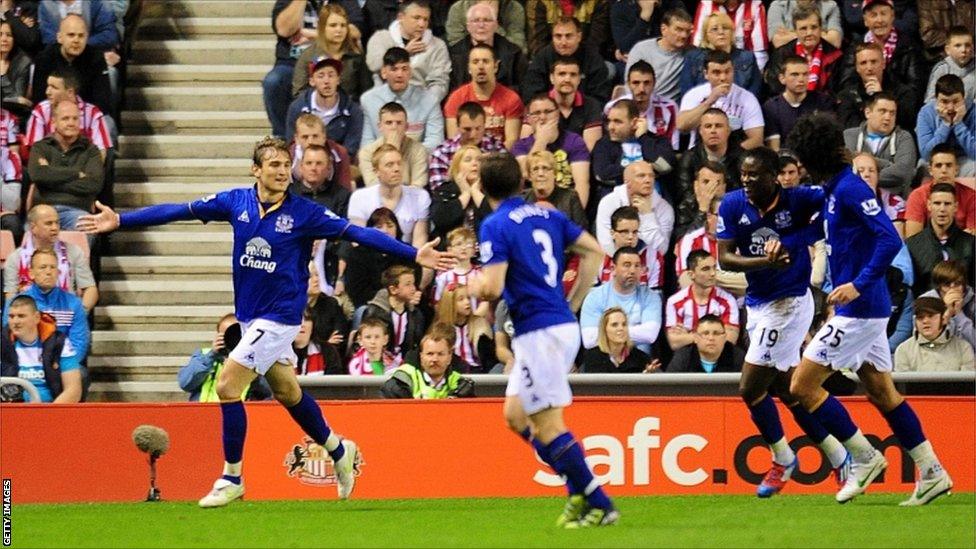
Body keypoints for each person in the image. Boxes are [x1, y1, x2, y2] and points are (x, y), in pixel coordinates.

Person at [76, 136, 455, 508]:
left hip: (281, 318)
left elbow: (358, 232)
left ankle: (232, 477)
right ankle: (340, 450)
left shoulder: (305, 213)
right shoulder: (235, 201)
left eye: (284, 164)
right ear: (255, 170)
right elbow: (179, 210)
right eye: (272, 164)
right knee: (288, 393)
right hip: (251, 315)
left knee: (227, 386)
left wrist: (411, 252)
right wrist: (121, 220)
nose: (281, 171)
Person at [788, 112, 953, 506]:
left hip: (860, 309)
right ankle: (932, 471)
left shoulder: (849, 189)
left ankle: (864, 457)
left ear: (813, 156)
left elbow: (887, 239)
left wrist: (856, 285)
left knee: (801, 386)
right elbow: (830, 230)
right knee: (882, 392)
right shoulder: (834, 189)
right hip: (867, 309)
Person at [468, 152, 617, 528]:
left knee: (549, 425)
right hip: (554, 326)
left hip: (539, 331)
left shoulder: (495, 225)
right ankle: (579, 489)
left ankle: (598, 501)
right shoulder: (548, 215)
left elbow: (494, 287)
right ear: (522, 183)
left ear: (483, 189)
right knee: (515, 417)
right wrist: (574, 301)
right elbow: (595, 251)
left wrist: (474, 283)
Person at [717, 146, 849, 498]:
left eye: (755, 174)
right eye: (743, 174)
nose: (746, 180)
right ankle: (839, 456)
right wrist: (766, 263)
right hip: (758, 305)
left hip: (789, 303)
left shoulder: (799, 199)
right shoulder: (732, 204)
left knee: (749, 388)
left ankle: (783, 458)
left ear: (775, 176)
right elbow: (725, 259)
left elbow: (834, 210)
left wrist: (796, 239)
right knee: (786, 389)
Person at [2, 248, 90, 381]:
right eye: (43, 267)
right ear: (31, 273)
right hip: (24, 363)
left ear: (58, 272)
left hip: (60, 363)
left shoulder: (74, 303)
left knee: (81, 374)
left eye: (53, 267)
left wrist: (65, 365)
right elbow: (8, 340)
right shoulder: (15, 304)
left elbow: (79, 342)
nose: (48, 272)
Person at [27, 98, 103, 231]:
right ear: (54, 122)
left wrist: (49, 181)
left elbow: (93, 184)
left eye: (75, 119)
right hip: (43, 211)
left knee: (86, 227)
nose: (71, 123)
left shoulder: (91, 150)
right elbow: (38, 175)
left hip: (76, 211)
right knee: (37, 231)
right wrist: (76, 174)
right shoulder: (41, 147)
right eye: (65, 118)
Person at [3, 204, 98, 310]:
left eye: (57, 223)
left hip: (66, 313)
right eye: (49, 223)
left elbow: (90, 289)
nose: (55, 228)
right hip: (29, 318)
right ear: (33, 227)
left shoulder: (74, 251)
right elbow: (10, 295)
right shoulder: (15, 258)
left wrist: (80, 313)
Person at [591, 98, 677, 213]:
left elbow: (664, 166)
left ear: (634, 122)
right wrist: (645, 170)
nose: (610, 127)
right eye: (609, 121)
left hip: (655, 208)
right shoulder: (604, 144)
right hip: (617, 210)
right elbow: (602, 174)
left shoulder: (657, 141)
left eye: (617, 122)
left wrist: (643, 138)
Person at [512, 94, 591, 208]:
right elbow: (526, 174)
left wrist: (574, 214)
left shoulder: (574, 141)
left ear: (558, 114)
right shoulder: (521, 146)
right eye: (536, 113)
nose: (543, 117)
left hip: (566, 202)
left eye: (548, 111)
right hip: (531, 205)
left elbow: (582, 183)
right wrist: (541, 141)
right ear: (528, 119)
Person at [360, 47, 445, 152]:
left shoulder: (429, 100)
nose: (399, 75)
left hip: (418, 163)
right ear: (383, 72)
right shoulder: (368, 100)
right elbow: (367, 144)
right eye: (394, 69)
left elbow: (435, 142)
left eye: (404, 69)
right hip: (381, 163)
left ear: (410, 72)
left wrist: (407, 157)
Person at [580, 246, 662, 355]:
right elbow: (589, 340)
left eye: (637, 266)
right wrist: (634, 331)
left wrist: (610, 332)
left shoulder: (650, 297)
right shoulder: (595, 297)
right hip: (603, 357)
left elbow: (650, 335)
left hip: (639, 358)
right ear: (613, 269)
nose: (632, 271)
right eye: (627, 265)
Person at [677, 49, 765, 150]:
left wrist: (729, 155)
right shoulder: (694, 95)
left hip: (735, 155)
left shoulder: (747, 98)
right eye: (716, 73)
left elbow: (756, 139)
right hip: (699, 154)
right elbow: (682, 126)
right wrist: (710, 101)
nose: (723, 77)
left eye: (727, 72)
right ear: (706, 74)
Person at [365, 0, 450, 103]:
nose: (422, 24)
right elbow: (374, 65)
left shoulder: (437, 45)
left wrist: (426, 104)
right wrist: (404, 53)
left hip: (421, 103)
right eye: (417, 18)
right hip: (384, 101)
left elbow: (440, 82)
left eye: (425, 19)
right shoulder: (381, 38)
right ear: (401, 17)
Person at [1, 294, 81, 403]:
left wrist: (48, 416)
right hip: (13, 410)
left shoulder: (59, 342)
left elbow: (73, 390)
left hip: (51, 409)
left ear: (37, 318)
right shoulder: (3, 342)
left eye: (21, 316)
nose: (15, 321)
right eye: (11, 316)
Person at [348, 144, 431, 248]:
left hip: (406, 258)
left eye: (399, 164)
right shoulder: (359, 197)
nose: (396, 169)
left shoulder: (420, 196)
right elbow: (357, 242)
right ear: (376, 171)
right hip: (369, 257)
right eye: (390, 165)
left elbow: (419, 240)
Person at [443, 45, 523, 149]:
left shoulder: (511, 99)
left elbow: (512, 140)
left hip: (499, 158)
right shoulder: (456, 98)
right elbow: (454, 140)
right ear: (469, 68)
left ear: (495, 66)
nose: (480, 66)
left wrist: (490, 160)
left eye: (485, 61)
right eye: (475, 62)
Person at [178, 314, 273, 402]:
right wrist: (212, 356)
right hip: (203, 415)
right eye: (226, 334)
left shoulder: (254, 358)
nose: (231, 338)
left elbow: (268, 392)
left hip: (236, 413)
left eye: (236, 334)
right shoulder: (204, 355)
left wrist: (248, 361)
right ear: (218, 335)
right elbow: (185, 383)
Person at [284, 56, 364, 157]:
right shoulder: (297, 108)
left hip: (339, 162)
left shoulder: (353, 111)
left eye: (331, 75)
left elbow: (350, 150)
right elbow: (292, 145)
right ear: (312, 81)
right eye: (321, 76)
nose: (326, 81)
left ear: (338, 79)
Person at [521, 16, 613, 103]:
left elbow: (599, 98)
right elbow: (531, 94)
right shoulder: (542, 57)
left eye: (568, 36)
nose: (563, 42)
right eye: (558, 36)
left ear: (579, 37)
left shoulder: (593, 59)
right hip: (549, 112)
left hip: (584, 112)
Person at [906, 183, 975, 297]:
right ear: (929, 205)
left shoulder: (972, 243)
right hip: (926, 311)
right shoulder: (912, 245)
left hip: (965, 309)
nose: (942, 209)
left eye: (947, 204)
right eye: (937, 203)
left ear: (955, 207)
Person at [291, 4, 371, 102]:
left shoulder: (356, 56)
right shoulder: (308, 56)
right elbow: (298, 93)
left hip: (349, 110)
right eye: (333, 25)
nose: (339, 30)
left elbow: (366, 92)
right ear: (322, 28)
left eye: (343, 25)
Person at [842, 91, 916, 195]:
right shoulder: (849, 136)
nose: (888, 117)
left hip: (893, 201)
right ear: (867, 113)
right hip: (854, 197)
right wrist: (888, 164)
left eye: (892, 113)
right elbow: (844, 171)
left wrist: (865, 166)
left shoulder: (904, 138)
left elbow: (903, 173)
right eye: (882, 111)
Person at [665, 249, 740, 350]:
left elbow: (731, 339)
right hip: (688, 355)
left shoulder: (727, 300)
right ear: (691, 274)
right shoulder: (675, 302)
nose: (713, 273)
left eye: (714, 268)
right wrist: (715, 335)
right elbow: (674, 343)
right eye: (706, 269)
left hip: (720, 355)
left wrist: (690, 335)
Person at [595, 160, 673, 257]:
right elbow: (606, 244)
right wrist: (626, 263)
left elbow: (662, 250)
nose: (648, 180)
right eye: (641, 176)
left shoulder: (664, 208)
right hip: (615, 264)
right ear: (627, 181)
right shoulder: (609, 202)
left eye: (651, 176)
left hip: (649, 266)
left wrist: (647, 216)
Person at [379, 322, 476, 399]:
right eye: (430, 354)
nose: (435, 359)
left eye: (440, 354)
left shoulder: (461, 385)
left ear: (450, 356)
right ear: (421, 356)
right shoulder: (402, 381)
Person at [834, 42, 916, 131]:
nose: (869, 68)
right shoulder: (846, 96)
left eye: (874, 62)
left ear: (883, 64)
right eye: (863, 63)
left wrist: (881, 96)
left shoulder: (903, 92)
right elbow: (850, 128)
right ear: (857, 68)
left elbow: (906, 123)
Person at [762, 54, 835, 151]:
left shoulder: (823, 102)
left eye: (805, 74)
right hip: (785, 162)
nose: (801, 79)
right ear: (782, 78)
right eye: (795, 74)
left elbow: (828, 141)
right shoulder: (771, 107)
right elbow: (774, 148)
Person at [447, 1, 526, 91]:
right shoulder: (454, 55)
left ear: (496, 25)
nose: (481, 25)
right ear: (468, 27)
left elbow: (522, 88)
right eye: (476, 21)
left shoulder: (514, 54)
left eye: (487, 20)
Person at [680, 11, 762, 97]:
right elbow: (687, 94)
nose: (721, 32)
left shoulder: (748, 58)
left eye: (725, 28)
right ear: (706, 35)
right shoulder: (693, 58)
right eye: (715, 29)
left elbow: (754, 94)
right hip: (703, 107)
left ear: (732, 32)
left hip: (739, 108)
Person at [428, 101, 506, 191]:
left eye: (478, 128)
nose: (473, 135)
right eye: (467, 129)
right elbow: (439, 192)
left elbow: (506, 184)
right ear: (457, 126)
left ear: (485, 125)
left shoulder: (496, 147)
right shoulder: (442, 153)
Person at [904, 144, 976, 238]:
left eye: (949, 165)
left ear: (956, 169)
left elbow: (973, 236)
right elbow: (912, 238)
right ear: (930, 170)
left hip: (961, 250)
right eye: (938, 166)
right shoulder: (917, 195)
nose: (944, 170)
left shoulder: (971, 196)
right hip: (926, 249)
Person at [625, 8, 694, 103]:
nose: (684, 35)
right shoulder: (642, 49)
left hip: (668, 109)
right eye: (679, 30)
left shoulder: (692, 54)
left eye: (687, 31)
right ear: (664, 29)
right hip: (639, 102)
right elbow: (629, 84)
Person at [361, 264, 426, 364]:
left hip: (405, 363)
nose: (413, 288)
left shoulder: (415, 314)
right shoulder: (374, 312)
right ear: (393, 289)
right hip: (376, 362)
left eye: (413, 284)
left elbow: (416, 343)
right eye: (407, 284)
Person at [429, 143, 491, 241]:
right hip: (450, 249)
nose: (475, 163)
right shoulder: (445, 190)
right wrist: (465, 194)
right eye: (468, 160)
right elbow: (440, 220)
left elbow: (496, 220)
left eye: (479, 160)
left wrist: (475, 191)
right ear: (457, 167)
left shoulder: (492, 189)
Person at [894, 297, 975, 372]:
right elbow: (903, 385)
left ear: (944, 319)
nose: (925, 321)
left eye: (931, 316)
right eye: (920, 317)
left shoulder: (963, 348)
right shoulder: (903, 350)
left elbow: (967, 385)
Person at [358, 102, 428, 188]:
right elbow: (373, 186)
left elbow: (418, 186)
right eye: (389, 123)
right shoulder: (367, 152)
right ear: (380, 126)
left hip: (410, 199)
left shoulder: (419, 150)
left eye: (399, 123)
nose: (394, 127)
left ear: (406, 127)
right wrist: (389, 152)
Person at [916, 74, 975, 176]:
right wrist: (946, 124)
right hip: (936, 161)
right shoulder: (926, 112)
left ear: (963, 98)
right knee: (922, 167)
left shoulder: (974, 112)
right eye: (944, 101)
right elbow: (926, 155)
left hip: (964, 160)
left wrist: (958, 124)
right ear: (936, 100)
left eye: (956, 101)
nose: (950, 107)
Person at [689, 0, 769, 69]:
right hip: (709, 66)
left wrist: (745, 73)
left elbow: (759, 54)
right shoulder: (706, 5)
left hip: (743, 68)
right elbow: (698, 48)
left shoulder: (755, 5)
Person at [434, 282, 493, 373]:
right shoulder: (440, 328)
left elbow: (489, 357)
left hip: (478, 371)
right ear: (450, 304)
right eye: (461, 299)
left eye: (468, 298)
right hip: (451, 372)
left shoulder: (480, 324)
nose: (467, 302)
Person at [522, 150, 588, 230]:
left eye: (545, 168)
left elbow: (581, 232)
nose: (540, 173)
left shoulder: (570, 198)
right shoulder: (522, 199)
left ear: (555, 174)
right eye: (535, 169)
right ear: (529, 176)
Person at [579, 307, 657, 374]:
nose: (621, 328)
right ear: (604, 330)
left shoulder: (640, 357)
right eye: (614, 325)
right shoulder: (593, 356)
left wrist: (645, 376)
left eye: (624, 324)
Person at [919, 260, 976, 350]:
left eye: (957, 284)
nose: (952, 288)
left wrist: (959, 315)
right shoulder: (926, 301)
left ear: (964, 284)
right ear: (939, 286)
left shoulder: (973, 300)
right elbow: (924, 342)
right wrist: (947, 314)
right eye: (947, 284)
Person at [666, 314, 745, 373]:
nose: (711, 338)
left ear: (725, 337)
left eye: (716, 333)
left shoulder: (738, 357)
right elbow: (669, 388)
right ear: (696, 338)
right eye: (705, 333)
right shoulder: (683, 356)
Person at [444, 0, 526, 52]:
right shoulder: (458, 9)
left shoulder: (514, 8)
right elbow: (455, 45)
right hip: (468, 60)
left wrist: (492, 19)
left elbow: (518, 46)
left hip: (504, 59)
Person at [923, 25, 974, 103]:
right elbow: (930, 101)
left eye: (967, 45)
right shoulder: (941, 69)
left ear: (973, 48)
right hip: (944, 112)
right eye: (958, 45)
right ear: (947, 50)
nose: (963, 50)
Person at [767, 0, 843, 50]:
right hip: (788, 60)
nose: (809, 32)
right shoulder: (777, 5)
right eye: (803, 28)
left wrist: (792, 33)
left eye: (814, 27)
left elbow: (835, 42)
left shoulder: (830, 6)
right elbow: (779, 42)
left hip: (824, 60)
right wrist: (821, 34)